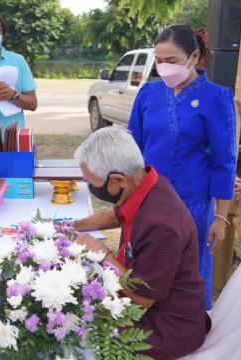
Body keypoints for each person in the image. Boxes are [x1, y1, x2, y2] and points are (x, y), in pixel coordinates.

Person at [73, 127, 209, 360]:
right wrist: (70, 227)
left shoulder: (161, 225)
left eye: (91, 183)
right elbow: (115, 215)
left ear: (118, 180)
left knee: (73, 324)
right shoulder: (146, 183)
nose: (90, 187)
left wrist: (103, 255)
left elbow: (143, 297)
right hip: (153, 305)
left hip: (168, 327)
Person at [128, 25, 237, 309]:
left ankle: (190, 334)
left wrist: (221, 218)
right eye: (159, 60)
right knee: (146, 268)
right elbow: (132, 149)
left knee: (190, 273)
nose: (164, 67)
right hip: (148, 201)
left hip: (194, 206)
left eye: (172, 61)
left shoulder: (216, 97)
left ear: (194, 57)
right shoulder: (148, 95)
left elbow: (223, 162)